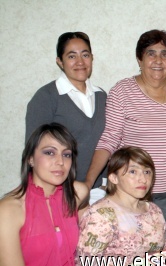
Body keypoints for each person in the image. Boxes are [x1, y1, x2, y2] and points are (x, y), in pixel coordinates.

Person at [84, 30, 166, 246]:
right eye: (151, 53)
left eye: (164, 54)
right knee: (135, 257)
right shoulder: (122, 91)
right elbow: (109, 139)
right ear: (139, 59)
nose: (158, 60)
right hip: (134, 195)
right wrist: (88, 182)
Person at [0, 123, 89, 266]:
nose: (60, 161)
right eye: (49, 152)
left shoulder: (77, 193)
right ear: (30, 159)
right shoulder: (9, 211)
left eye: (66, 154)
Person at [76, 146, 166, 266]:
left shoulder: (154, 211)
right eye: (133, 171)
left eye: (147, 171)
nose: (143, 178)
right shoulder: (101, 216)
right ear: (114, 178)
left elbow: (164, 254)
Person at [26, 32, 107, 188]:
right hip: (60, 189)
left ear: (92, 58)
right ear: (60, 62)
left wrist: (106, 182)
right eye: (71, 56)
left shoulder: (101, 96)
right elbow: (33, 150)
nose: (80, 62)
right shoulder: (46, 97)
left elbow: (107, 142)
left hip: (98, 189)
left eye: (85, 55)